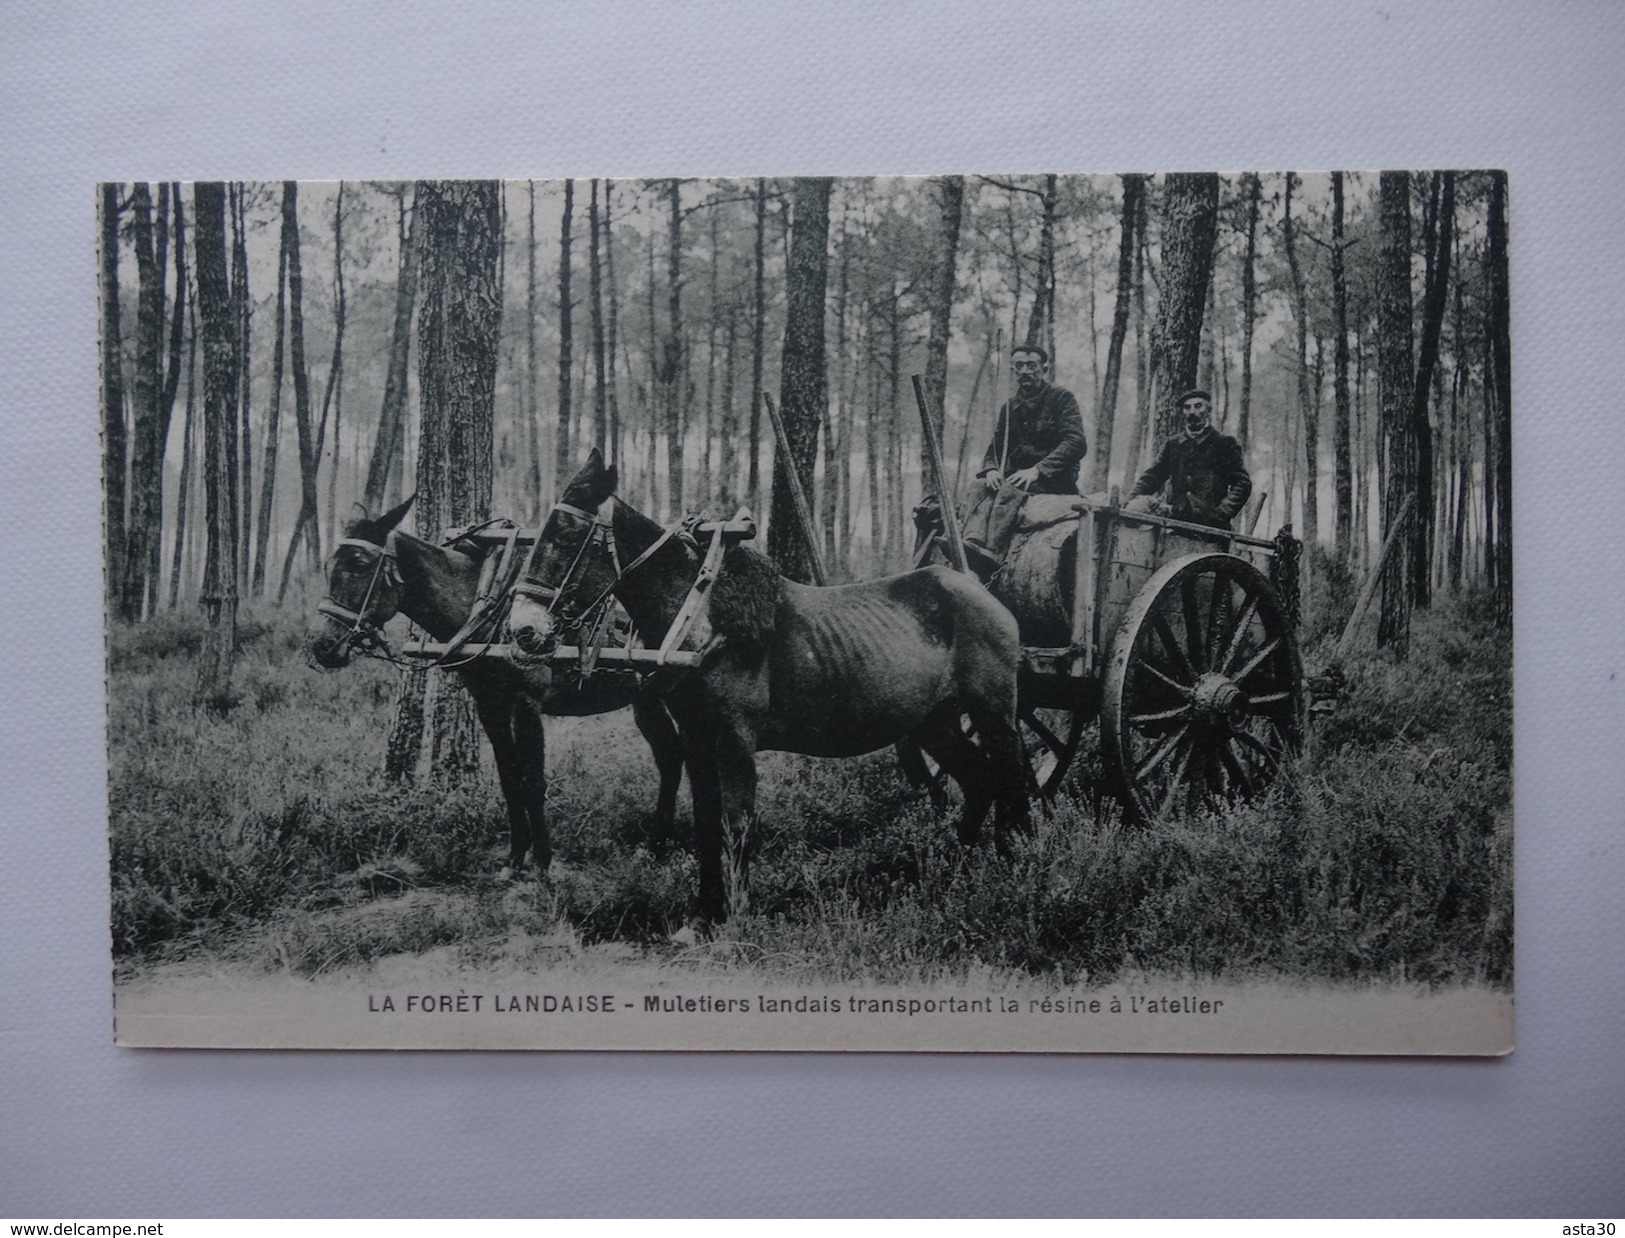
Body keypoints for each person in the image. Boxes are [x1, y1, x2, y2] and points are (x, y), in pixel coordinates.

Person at [1126, 388, 1252, 528]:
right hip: (1176, 523)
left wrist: (1222, 513)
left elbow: (1242, 484)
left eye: (1198, 406)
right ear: (1183, 413)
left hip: (1211, 528)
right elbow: (1152, 476)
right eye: (1187, 407)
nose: (1192, 412)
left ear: (1208, 410)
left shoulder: (1224, 443)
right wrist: (1129, 501)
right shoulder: (1173, 444)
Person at [977, 343, 1087, 495]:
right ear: (1013, 371)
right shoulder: (1009, 408)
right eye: (1019, 366)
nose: (1024, 371)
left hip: (1053, 480)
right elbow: (995, 448)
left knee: (1010, 493)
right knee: (977, 488)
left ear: (1043, 370)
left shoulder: (1061, 398)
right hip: (1015, 478)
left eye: (1031, 366)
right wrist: (991, 470)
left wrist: (1037, 470)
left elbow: (1076, 442)